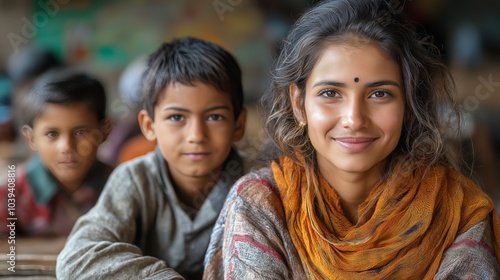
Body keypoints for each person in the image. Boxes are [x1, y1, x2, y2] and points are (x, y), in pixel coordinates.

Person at [203, 0, 500, 279]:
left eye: (379, 94)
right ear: (298, 104)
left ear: (409, 104)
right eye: (330, 93)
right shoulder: (262, 207)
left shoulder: (457, 211)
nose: (355, 119)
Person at [56, 37, 247, 280]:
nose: (196, 136)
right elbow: (77, 259)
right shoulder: (134, 179)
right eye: (177, 117)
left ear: (238, 124)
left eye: (214, 117)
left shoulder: (257, 185)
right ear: (149, 125)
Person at [0, 70, 112, 236]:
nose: (66, 146)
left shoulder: (122, 187)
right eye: (52, 134)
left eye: (81, 132)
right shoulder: (10, 193)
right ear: (31, 139)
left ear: (104, 131)